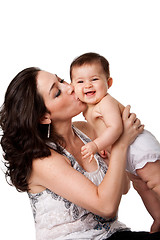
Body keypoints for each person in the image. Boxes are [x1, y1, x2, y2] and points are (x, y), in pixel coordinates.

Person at [0, 67, 159, 240]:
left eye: (61, 80)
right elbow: (106, 207)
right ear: (44, 117)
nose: (69, 87)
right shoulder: (41, 159)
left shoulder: (85, 131)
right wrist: (121, 143)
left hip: (114, 234)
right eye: (57, 93)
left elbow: (122, 188)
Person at [70, 52, 160, 233]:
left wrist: (97, 145)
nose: (87, 85)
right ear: (73, 87)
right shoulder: (87, 109)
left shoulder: (105, 102)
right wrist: (104, 146)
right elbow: (103, 130)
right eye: (80, 82)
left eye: (94, 79)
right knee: (141, 187)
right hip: (125, 154)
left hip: (137, 147)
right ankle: (158, 217)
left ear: (108, 83)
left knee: (155, 181)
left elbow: (116, 128)